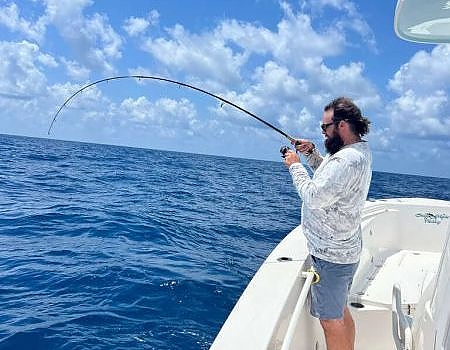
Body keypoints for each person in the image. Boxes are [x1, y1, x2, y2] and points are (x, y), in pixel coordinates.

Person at [283, 97, 372, 350]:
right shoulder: (357, 153)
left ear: (342, 125)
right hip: (345, 251)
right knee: (340, 311)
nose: (323, 132)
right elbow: (331, 179)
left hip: (331, 257)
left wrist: (295, 166)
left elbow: (314, 196)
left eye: (325, 127)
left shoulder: (345, 160)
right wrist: (311, 154)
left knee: (330, 321)